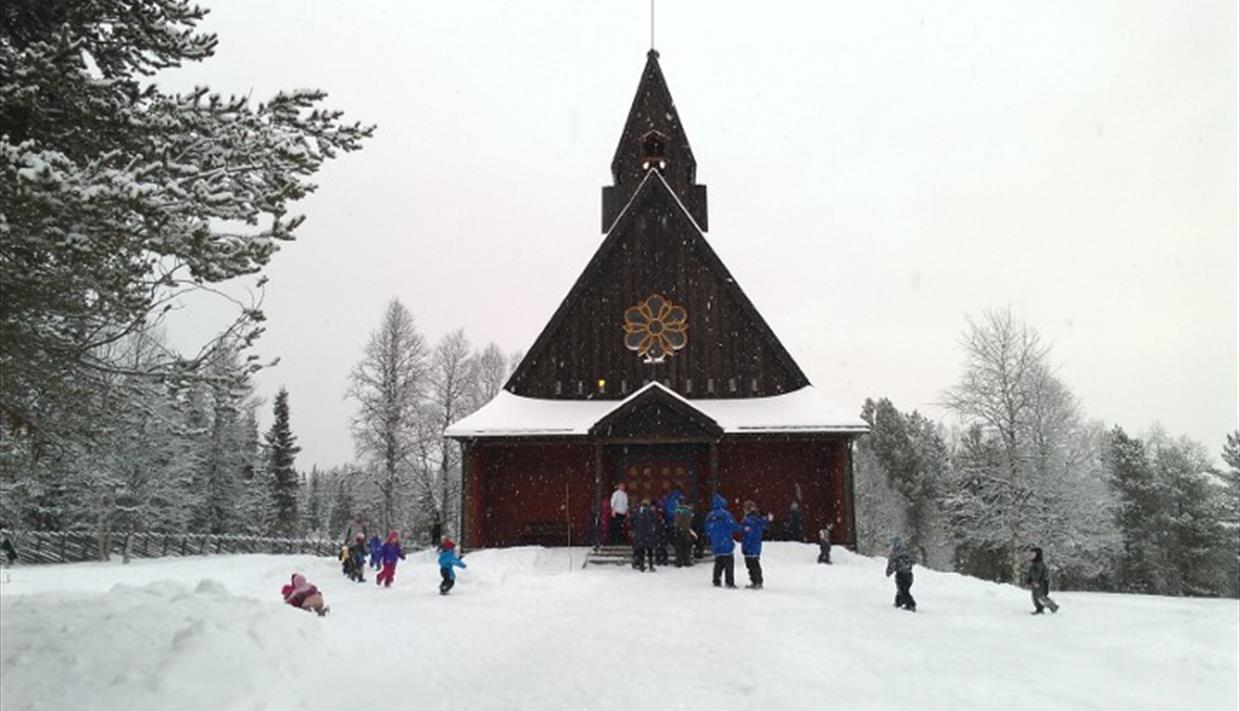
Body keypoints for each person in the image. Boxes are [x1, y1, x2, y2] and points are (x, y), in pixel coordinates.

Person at [705, 494, 739, 588]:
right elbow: (732, 526)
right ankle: (729, 582)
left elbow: (707, 529)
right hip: (726, 542)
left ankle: (716, 580)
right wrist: (740, 529)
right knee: (729, 563)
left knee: (718, 562)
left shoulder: (710, 515)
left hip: (716, 543)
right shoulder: (725, 514)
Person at [739, 500, 768, 589]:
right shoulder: (759, 520)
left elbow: (747, 536)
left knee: (751, 565)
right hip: (756, 546)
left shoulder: (748, 521)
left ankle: (755, 581)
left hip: (749, 546)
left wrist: (745, 547)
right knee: (755, 564)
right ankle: (758, 581)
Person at [1025, 546, 1060, 615]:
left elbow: (1042, 574)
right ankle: (1039, 609)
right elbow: (1031, 573)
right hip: (1035, 583)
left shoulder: (1040, 564)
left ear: (1037, 555)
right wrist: (1028, 580)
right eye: (1030, 554)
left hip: (1040, 583)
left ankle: (1052, 606)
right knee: (1035, 597)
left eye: (1033, 554)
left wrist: (1038, 582)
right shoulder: (1034, 564)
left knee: (1040, 596)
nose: (1030, 555)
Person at [886, 537, 917, 612]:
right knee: (903, 589)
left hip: (901, 575)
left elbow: (892, 565)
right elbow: (913, 561)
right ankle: (899, 602)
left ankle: (910, 604)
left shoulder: (895, 554)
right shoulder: (907, 552)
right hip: (909, 575)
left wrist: (888, 572)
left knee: (903, 590)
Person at [631, 499, 658, 572]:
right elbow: (655, 521)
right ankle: (651, 566)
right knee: (650, 552)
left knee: (641, 551)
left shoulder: (637, 512)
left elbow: (632, 521)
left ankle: (641, 566)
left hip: (640, 534)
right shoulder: (651, 512)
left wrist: (634, 530)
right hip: (649, 534)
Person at [673, 500, 696, 567]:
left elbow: (676, 522)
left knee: (679, 548)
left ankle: (679, 562)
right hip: (686, 531)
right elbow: (689, 522)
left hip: (679, 531)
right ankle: (686, 561)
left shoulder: (677, 511)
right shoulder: (687, 511)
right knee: (686, 547)